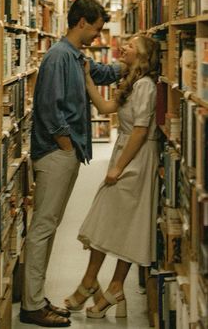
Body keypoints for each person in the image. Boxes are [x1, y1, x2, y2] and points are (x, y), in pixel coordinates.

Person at [20, 0, 127, 327]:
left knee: (48, 227)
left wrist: (139, 60)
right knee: (43, 228)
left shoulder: (75, 57)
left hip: (65, 153)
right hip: (56, 154)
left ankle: (35, 298)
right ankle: (32, 306)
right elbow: (50, 113)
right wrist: (66, 147)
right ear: (82, 22)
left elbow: (103, 72)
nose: (97, 36)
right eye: (96, 29)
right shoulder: (57, 57)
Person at [64, 34, 160, 319]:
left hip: (137, 159)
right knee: (109, 221)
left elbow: (142, 130)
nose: (123, 47)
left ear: (142, 55)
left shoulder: (146, 86)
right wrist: (87, 79)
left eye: (130, 46)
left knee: (122, 225)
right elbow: (105, 109)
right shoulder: (132, 82)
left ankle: (103, 284)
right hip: (127, 153)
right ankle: (99, 284)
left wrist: (118, 167)